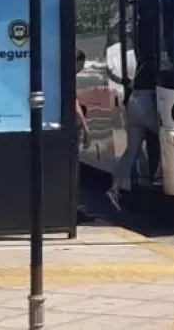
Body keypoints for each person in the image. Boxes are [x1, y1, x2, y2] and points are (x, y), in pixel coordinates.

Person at [106, 88, 159, 209]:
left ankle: (114, 188)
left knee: (131, 150)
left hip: (133, 101)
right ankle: (158, 175)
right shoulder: (154, 68)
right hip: (148, 102)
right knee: (170, 137)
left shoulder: (141, 69)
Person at [75, 49, 94, 224]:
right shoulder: (67, 77)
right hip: (71, 132)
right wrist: (86, 129)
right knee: (73, 170)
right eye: (81, 66)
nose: (81, 70)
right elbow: (75, 106)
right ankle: (75, 209)